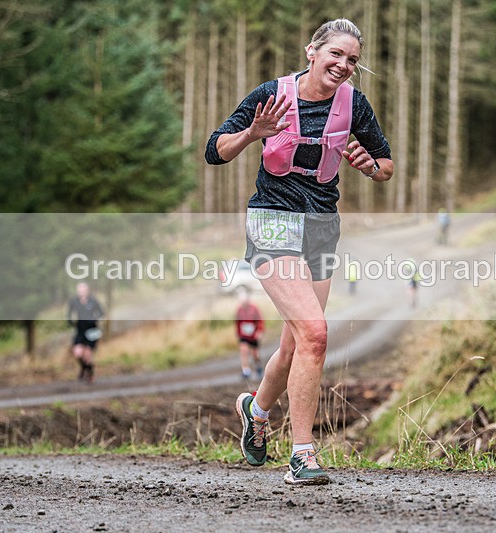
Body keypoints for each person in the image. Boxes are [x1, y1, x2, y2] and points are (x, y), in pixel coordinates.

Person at [205, 18, 392, 486]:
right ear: (312, 51)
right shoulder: (272, 94)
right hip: (273, 219)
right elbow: (215, 150)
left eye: (352, 60)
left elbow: (386, 164)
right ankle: (302, 455)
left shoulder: (354, 104)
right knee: (315, 332)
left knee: (295, 344)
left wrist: (372, 167)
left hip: (321, 227)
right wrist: (253, 132)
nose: (344, 65)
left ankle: (256, 409)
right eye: (336, 55)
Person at [67, 282, 104, 384]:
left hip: (92, 330)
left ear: (87, 290)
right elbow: (69, 313)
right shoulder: (75, 301)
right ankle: (84, 368)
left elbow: (101, 313)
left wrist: (93, 319)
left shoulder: (93, 301)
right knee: (77, 352)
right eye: (79, 290)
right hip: (80, 330)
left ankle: (90, 372)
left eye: (83, 290)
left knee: (88, 354)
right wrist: (70, 321)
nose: (81, 292)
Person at [235, 290, 265, 380]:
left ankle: (258, 366)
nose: (243, 304)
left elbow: (260, 320)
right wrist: (239, 333)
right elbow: (238, 322)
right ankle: (246, 371)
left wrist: (259, 331)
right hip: (244, 335)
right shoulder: (239, 309)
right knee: (243, 351)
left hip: (253, 335)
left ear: (248, 300)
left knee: (255, 353)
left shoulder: (254, 308)